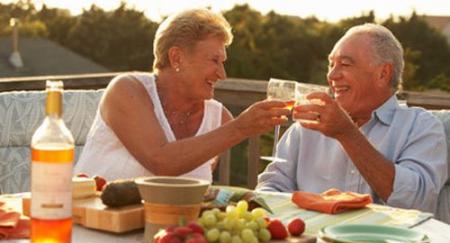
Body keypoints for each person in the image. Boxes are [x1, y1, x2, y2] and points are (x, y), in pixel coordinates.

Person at [75, 9, 290, 182]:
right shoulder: (127, 90)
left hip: (165, 233)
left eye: (222, 62)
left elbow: (193, 188)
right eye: (214, 60)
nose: (222, 74)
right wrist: (241, 128)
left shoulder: (218, 119)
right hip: (91, 226)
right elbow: (161, 162)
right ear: (177, 57)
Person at [257, 23, 448, 213]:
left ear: (383, 74)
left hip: (384, 241)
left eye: (345, 64)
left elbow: (418, 202)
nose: (332, 75)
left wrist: (347, 134)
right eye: (331, 64)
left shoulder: (421, 126)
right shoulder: (307, 126)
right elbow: (270, 189)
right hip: (310, 239)